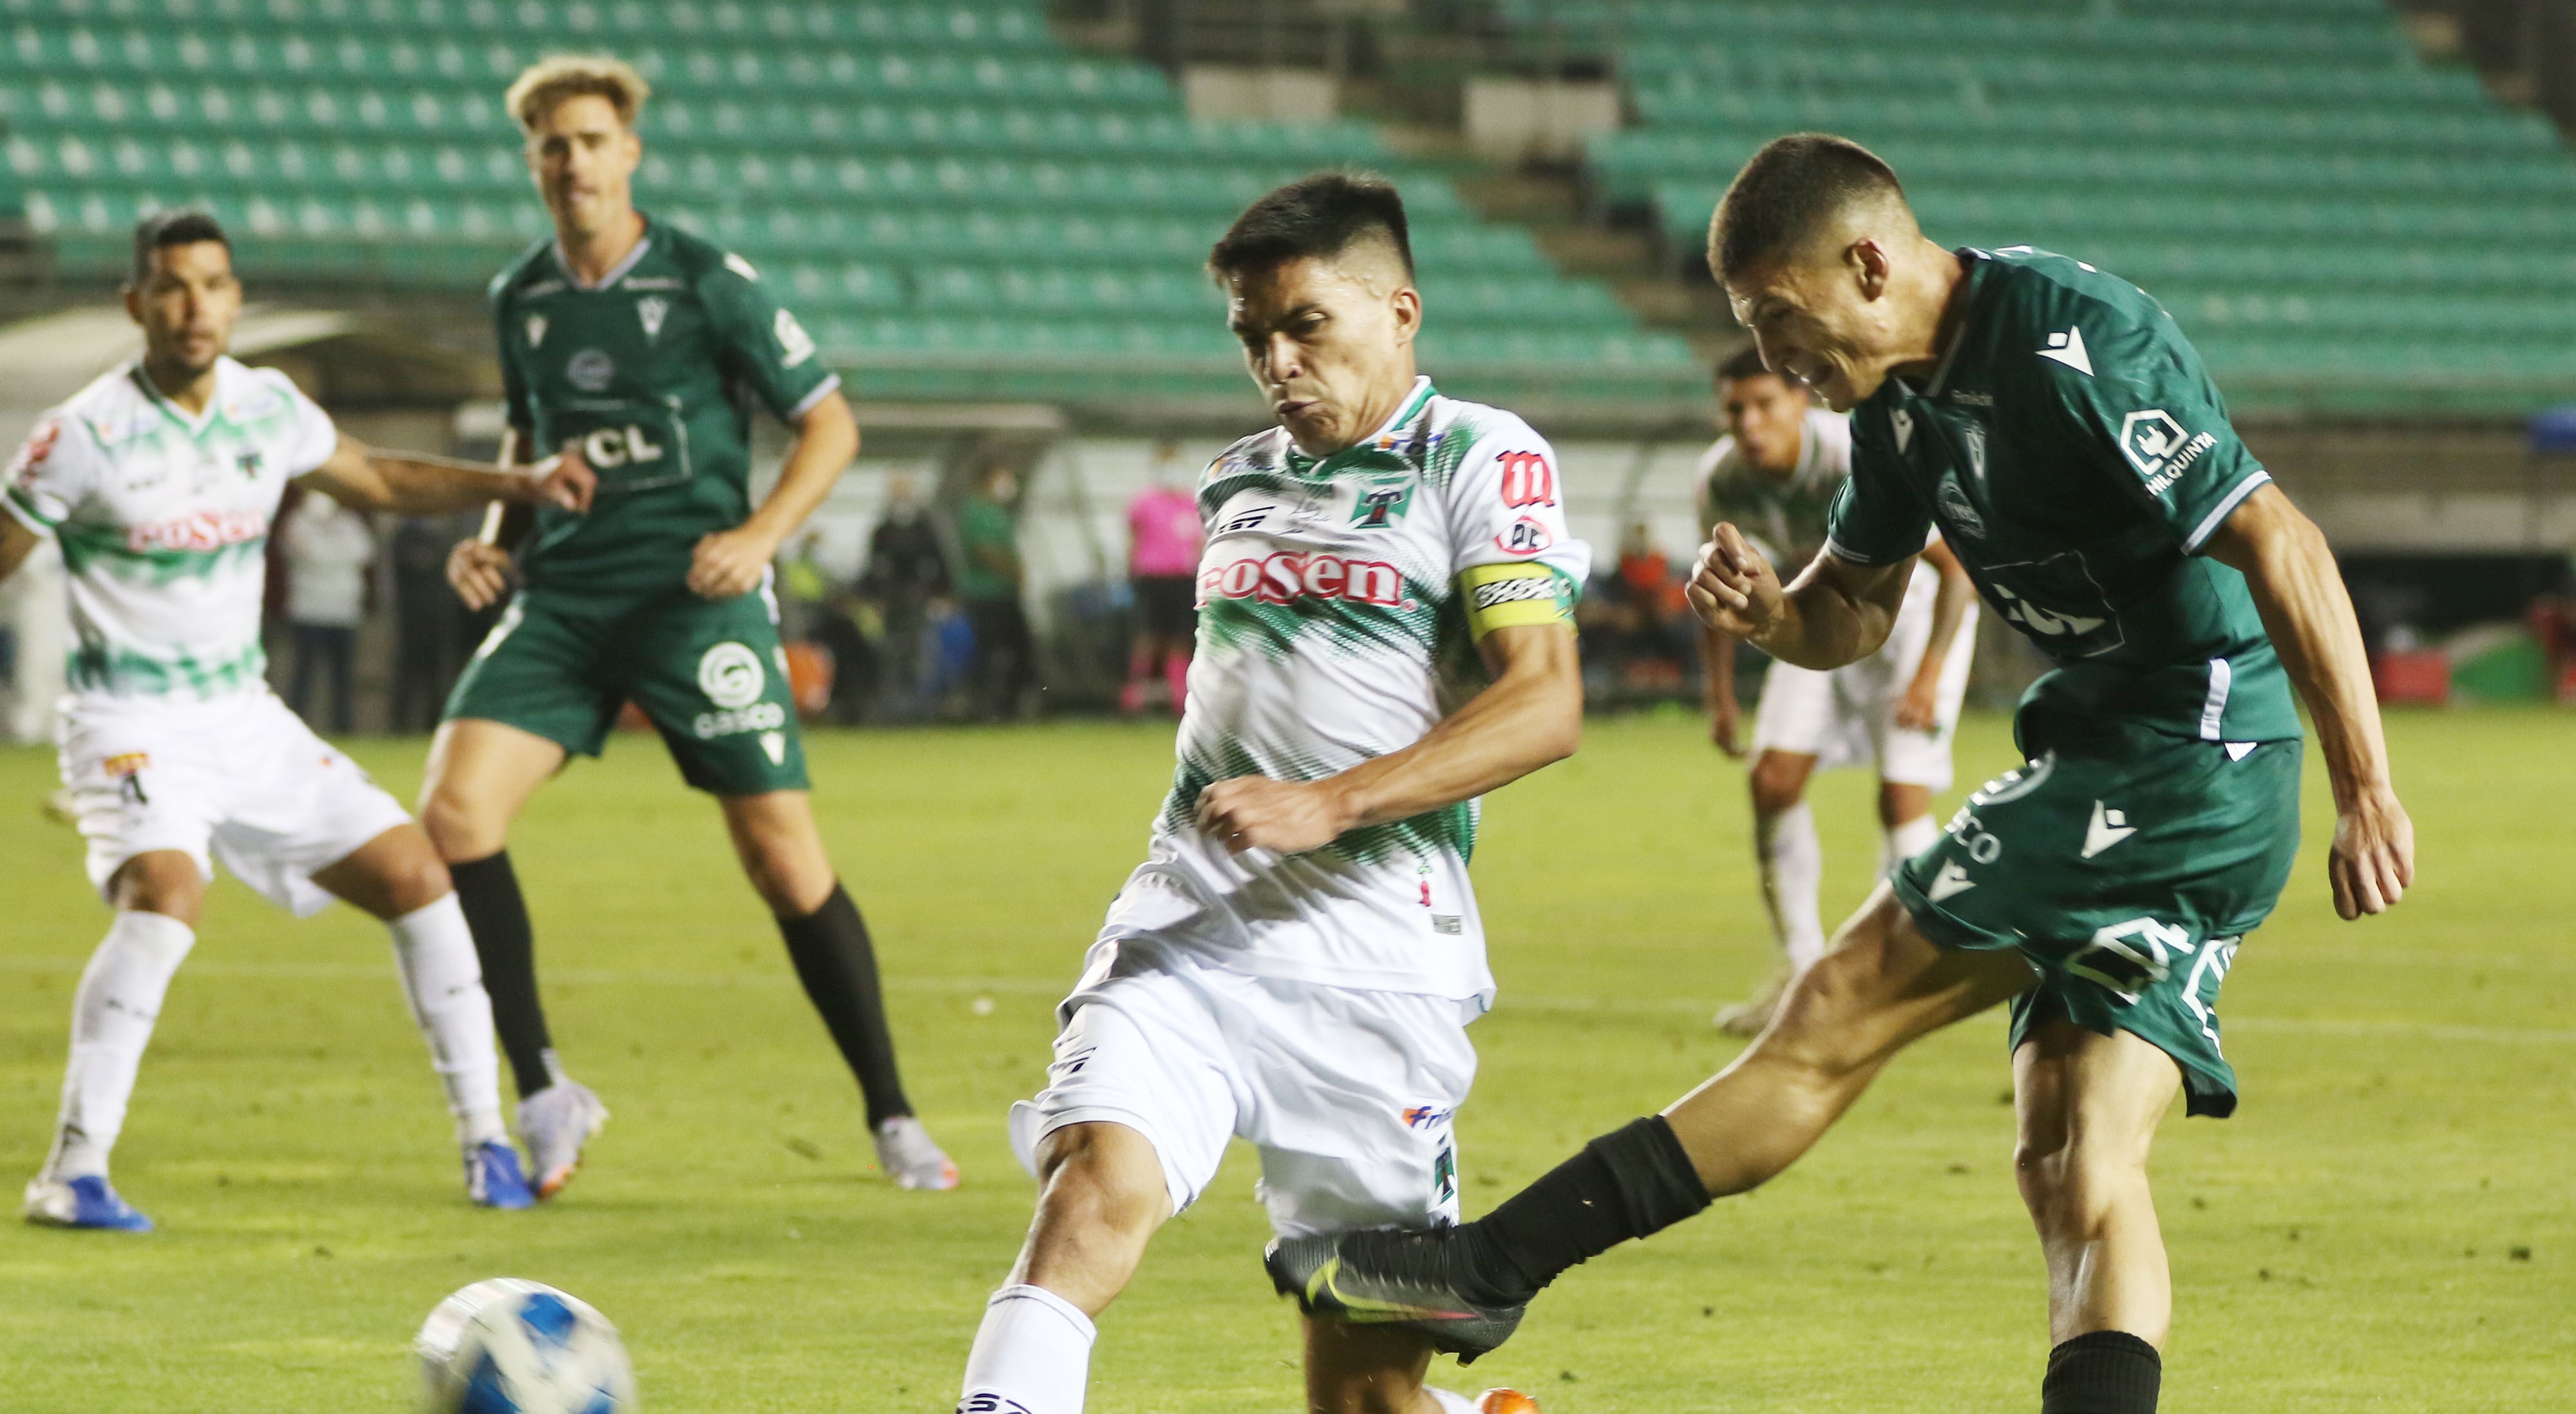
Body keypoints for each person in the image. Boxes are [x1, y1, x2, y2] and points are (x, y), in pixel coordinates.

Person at [1269, 133, 2417, 1414]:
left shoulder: (2068, 343)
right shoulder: (1894, 405)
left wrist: (2366, 785)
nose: (1772, 357)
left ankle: (1488, 1266)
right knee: (2074, 1159)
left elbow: (2280, 537)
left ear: (1866, 263)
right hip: (2171, 775)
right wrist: (1772, 612)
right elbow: (1852, 608)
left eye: (1776, 315)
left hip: (2172, 758)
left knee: (1829, 1014)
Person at [952, 173, 1575, 1414]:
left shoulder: (1480, 457)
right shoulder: (1237, 477)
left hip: (1378, 963)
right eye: (1253, 336)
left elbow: (1543, 705)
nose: (1277, 363)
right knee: (1091, 1190)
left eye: (1306, 327)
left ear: (1400, 311)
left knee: (1363, 1402)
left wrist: (1329, 802)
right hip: (1189, 923)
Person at [424, 56, 957, 1198]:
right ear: (534, 163)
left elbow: (830, 426)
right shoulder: (521, 297)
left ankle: (893, 1113)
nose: (573, 162)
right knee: (455, 814)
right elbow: (529, 438)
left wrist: (761, 536)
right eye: (553, 145)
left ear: (630, 153)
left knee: (784, 863)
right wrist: (496, 529)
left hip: (692, 603)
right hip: (564, 600)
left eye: (591, 141)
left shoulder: (708, 281)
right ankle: (543, 1090)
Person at [2, 210, 597, 1229]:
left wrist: (517, 482)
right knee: (167, 893)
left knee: (418, 874)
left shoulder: (266, 407)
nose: (195, 306)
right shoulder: (82, 434)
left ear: (235, 299)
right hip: (128, 719)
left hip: (245, 715)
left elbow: (381, 477)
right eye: (173, 287)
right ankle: (73, 1168)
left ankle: (487, 1140)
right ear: (137, 303)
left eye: (214, 285)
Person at [1694, 344, 1979, 1034]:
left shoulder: (1854, 451)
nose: (1750, 423)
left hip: (1910, 613)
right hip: (1814, 608)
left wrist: (1930, 673)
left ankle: (1897, 982)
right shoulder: (1721, 478)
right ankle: (1800, 976)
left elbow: (1955, 568)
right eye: (1735, 409)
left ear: (1799, 401)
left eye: (1765, 404)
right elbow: (1718, 587)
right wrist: (1720, 692)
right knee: (1771, 781)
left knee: (1901, 798)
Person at [281, 490, 376, 734]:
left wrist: (328, 552)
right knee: (304, 676)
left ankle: (344, 729)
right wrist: (336, 554)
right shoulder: (297, 522)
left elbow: (364, 553)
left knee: (343, 678)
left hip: (344, 611)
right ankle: (295, 728)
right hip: (309, 611)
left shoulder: (350, 522)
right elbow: (311, 555)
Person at [1120, 439, 1202, 716]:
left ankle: (1179, 694)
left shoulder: (1191, 502)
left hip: (1183, 577)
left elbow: (1198, 541)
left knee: (1181, 636)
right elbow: (1134, 538)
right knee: (1150, 635)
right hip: (1152, 576)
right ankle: (1137, 693)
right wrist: (1131, 571)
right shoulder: (1144, 501)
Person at [951, 460, 1035, 721]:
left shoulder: (999, 512)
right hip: (984, 595)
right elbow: (984, 550)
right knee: (986, 652)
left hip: (1006, 594)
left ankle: (1012, 705)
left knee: (1021, 651)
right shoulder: (975, 511)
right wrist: (1013, 570)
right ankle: (982, 707)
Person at [860, 473, 947, 718]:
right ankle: (895, 705)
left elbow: (938, 561)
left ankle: (922, 704)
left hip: (918, 596)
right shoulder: (884, 530)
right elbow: (875, 566)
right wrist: (874, 597)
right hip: (892, 598)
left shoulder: (924, 529)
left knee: (919, 649)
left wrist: (941, 592)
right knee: (893, 650)